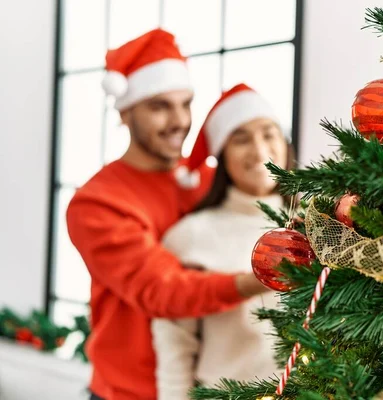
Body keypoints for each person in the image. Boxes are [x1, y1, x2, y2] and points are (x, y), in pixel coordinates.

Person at [66, 29, 272, 400]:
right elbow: (163, 290)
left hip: (211, 387)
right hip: (131, 392)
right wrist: (262, 278)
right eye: (160, 106)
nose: (179, 121)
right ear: (126, 112)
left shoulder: (208, 182)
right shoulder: (97, 203)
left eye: (186, 103)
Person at [151, 83, 294, 399]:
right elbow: (175, 343)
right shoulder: (192, 234)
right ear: (222, 156)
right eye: (241, 139)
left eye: (269, 134)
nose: (259, 150)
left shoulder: (319, 227)